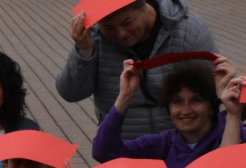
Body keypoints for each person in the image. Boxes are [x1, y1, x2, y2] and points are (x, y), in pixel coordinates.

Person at [93, 61, 245, 168]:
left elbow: (227, 166)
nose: (186, 110)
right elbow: (104, 153)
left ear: (211, 108)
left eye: (196, 100)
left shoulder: (233, 130)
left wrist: (233, 113)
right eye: (177, 102)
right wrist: (124, 97)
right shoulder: (163, 144)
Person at [56, 0, 217, 139]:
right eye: (109, 28)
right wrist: (83, 51)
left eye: (126, 23)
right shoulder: (95, 37)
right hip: (123, 147)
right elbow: (71, 93)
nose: (120, 33)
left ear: (143, 6)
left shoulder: (187, 30)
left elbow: (213, 92)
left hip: (181, 145)